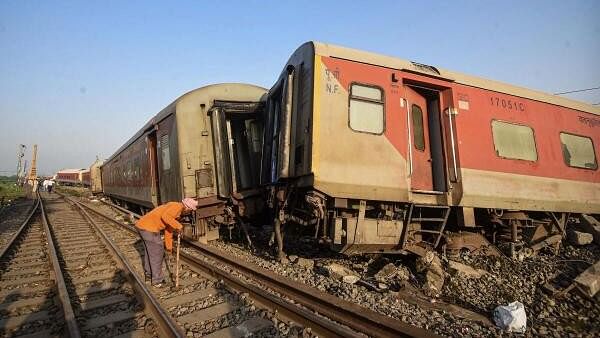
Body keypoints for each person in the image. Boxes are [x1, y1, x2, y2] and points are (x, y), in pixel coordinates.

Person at [135, 198, 198, 287]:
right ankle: (157, 281)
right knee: (157, 252)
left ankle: (149, 275)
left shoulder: (177, 213)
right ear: (187, 207)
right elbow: (165, 217)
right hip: (148, 228)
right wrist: (178, 226)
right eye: (190, 210)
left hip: (143, 226)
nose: (189, 212)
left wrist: (169, 247)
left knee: (151, 252)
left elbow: (168, 231)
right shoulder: (177, 206)